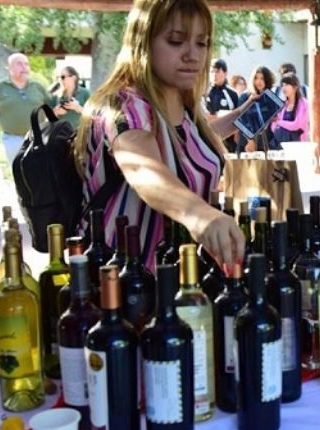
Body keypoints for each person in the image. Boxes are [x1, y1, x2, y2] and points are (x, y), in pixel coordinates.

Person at [73, 0, 245, 271]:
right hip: (121, 286)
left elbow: (186, 146)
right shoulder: (124, 104)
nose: (193, 55)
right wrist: (200, 215)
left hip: (173, 280)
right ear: (143, 42)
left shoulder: (182, 101)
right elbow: (144, 168)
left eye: (202, 43)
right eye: (176, 41)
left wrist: (242, 116)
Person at [0, 53, 50, 164]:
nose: (24, 67)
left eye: (26, 64)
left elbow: (50, 110)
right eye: (19, 64)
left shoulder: (38, 86)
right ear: (9, 67)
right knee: (18, 172)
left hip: (38, 138)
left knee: (38, 171)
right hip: (12, 139)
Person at [205, 59, 240, 152]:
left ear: (225, 73)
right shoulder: (204, 92)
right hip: (208, 139)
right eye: (212, 71)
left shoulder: (232, 94)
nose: (214, 74)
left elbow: (238, 117)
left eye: (217, 71)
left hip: (228, 141)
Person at [239, 66, 275, 152]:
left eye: (262, 78)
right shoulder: (245, 97)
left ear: (267, 80)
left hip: (266, 143)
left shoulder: (271, 98)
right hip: (247, 144)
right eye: (256, 78)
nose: (259, 81)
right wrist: (250, 141)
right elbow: (241, 120)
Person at [270, 74, 309, 146]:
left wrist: (279, 122)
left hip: (297, 145)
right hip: (280, 144)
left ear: (295, 87)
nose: (283, 88)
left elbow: (297, 125)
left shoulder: (303, 103)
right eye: (282, 85)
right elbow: (273, 125)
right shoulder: (283, 105)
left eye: (287, 85)